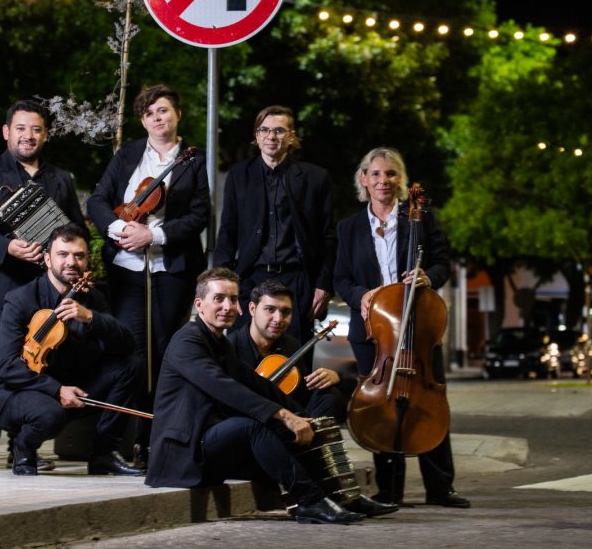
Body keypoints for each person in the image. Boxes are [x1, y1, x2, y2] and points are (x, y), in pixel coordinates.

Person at [146, 268, 397, 523]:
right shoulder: (187, 341)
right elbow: (224, 386)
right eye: (219, 298)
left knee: (294, 428)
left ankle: (342, 495)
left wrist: (302, 417)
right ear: (199, 304)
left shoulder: (218, 342)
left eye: (233, 299)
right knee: (256, 426)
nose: (228, 306)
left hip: (212, 441)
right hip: (184, 452)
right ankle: (309, 501)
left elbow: (256, 383)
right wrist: (284, 415)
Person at [333, 146, 470, 508]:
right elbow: (341, 278)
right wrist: (361, 295)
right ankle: (389, 489)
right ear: (364, 179)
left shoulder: (420, 219)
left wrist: (428, 276)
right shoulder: (348, 228)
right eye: (376, 174)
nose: (383, 181)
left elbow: (442, 263)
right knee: (381, 407)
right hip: (374, 333)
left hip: (418, 329)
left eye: (391, 174)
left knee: (429, 404)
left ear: (401, 181)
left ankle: (440, 488)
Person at [86, 84, 210, 465]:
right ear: (143, 120)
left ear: (178, 115)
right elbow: (98, 200)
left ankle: (157, 440)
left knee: (165, 354)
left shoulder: (194, 160)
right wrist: (118, 230)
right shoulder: (128, 154)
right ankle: (114, 444)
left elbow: (200, 214)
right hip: (127, 272)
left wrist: (153, 234)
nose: (158, 118)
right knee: (130, 355)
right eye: (151, 113)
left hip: (170, 271)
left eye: (164, 111)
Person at [0, 99, 86, 473]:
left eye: (35, 129)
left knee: (36, 362)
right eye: (20, 128)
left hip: (40, 289)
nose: (28, 136)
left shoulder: (60, 179)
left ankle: (24, 445)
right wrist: (8, 246)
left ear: (45, 135)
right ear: (6, 132)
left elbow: (73, 231)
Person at [0, 223, 144, 476]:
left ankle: (103, 454)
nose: (71, 262)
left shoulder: (92, 299)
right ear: (47, 259)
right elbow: (4, 366)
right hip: (20, 390)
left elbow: (127, 344)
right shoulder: (21, 299)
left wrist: (91, 317)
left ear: (86, 260)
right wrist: (56, 390)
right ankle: (23, 449)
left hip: (70, 382)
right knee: (50, 414)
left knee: (131, 365)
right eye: (63, 255)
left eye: (78, 255)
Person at [213, 105, 336, 345]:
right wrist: (224, 283)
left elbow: (328, 237)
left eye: (279, 130)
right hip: (250, 278)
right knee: (243, 357)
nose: (271, 136)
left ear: (291, 136)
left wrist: (323, 284)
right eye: (265, 130)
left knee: (294, 361)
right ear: (256, 136)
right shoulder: (239, 175)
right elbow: (227, 232)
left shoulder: (315, 178)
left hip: (296, 280)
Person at [228, 279, 347, 423]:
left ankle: (317, 443)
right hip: (243, 421)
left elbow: (301, 390)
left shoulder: (290, 344)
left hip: (283, 416)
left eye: (286, 312)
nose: (278, 319)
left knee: (330, 396)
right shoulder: (229, 347)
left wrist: (334, 377)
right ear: (252, 309)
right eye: (270, 309)